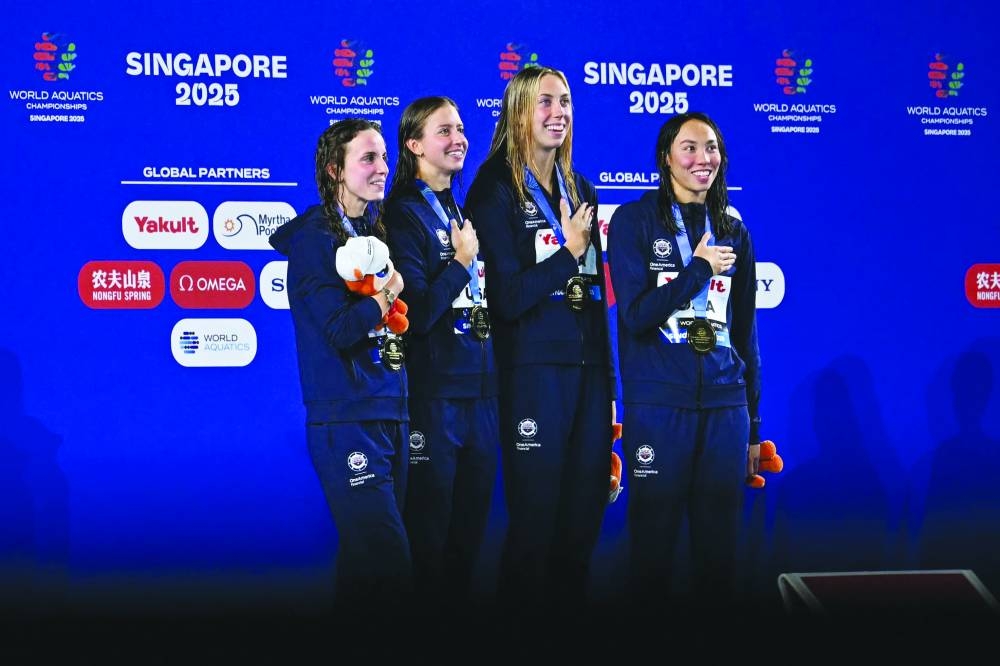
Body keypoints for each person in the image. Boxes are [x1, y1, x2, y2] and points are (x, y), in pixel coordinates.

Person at [464, 66, 617, 615]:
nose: (559, 113)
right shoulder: (493, 188)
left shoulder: (581, 188)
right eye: (545, 102)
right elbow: (504, 298)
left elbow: (596, 296)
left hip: (589, 375)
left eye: (567, 102)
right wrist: (568, 253)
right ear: (519, 113)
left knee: (580, 529)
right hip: (531, 373)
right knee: (535, 529)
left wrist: (609, 386)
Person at [606, 111, 761, 615]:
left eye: (711, 147)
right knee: (651, 552)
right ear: (666, 158)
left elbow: (744, 334)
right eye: (690, 148)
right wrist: (697, 269)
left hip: (725, 408)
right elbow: (633, 317)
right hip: (658, 407)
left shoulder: (733, 229)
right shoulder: (633, 221)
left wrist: (754, 427)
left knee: (719, 557)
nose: (703, 158)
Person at [268, 119, 411, 616]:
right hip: (345, 415)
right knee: (389, 562)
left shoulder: (375, 231)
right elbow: (339, 329)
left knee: (363, 567)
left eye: (384, 158)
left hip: (390, 408)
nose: (382, 169)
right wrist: (389, 292)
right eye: (367, 159)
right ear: (334, 171)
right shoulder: (312, 240)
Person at [383, 96, 499, 611]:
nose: (459, 139)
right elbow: (417, 312)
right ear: (413, 144)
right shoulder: (402, 214)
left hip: (483, 395)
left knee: (468, 540)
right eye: (443, 131)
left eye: (460, 129)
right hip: (434, 398)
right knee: (428, 537)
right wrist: (460, 262)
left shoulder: (461, 207)